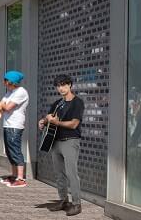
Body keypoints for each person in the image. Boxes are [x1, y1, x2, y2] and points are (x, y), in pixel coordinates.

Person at [38, 75, 84, 216]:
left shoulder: (77, 102)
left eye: (64, 85)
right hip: (55, 141)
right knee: (59, 174)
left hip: (70, 141)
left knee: (72, 174)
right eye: (58, 86)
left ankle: (77, 204)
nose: (61, 88)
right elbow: (49, 117)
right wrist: (43, 121)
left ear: (70, 85)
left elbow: (74, 124)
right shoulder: (58, 103)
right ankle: (64, 200)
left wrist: (56, 123)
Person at [0, 70, 29, 188]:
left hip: (15, 125)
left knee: (15, 150)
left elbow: (8, 107)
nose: (4, 83)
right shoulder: (10, 92)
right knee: (9, 151)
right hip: (8, 124)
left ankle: (21, 178)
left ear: (12, 81)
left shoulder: (21, 92)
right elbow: (0, 104)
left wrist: (1, 108)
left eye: (6, 80)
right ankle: (14, 176)